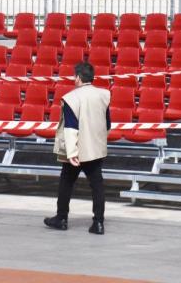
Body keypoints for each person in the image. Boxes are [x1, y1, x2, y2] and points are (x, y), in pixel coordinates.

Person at [44, 61, 110, 234]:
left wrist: (72, 153)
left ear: (78, 77)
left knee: (66, 182)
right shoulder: (104, 95)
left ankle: (61, 218)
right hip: (95, 148)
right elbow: (107, 124)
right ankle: (98, 223)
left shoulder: (71, 98)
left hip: (78, 149)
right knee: (97, 185)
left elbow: (71, 128)